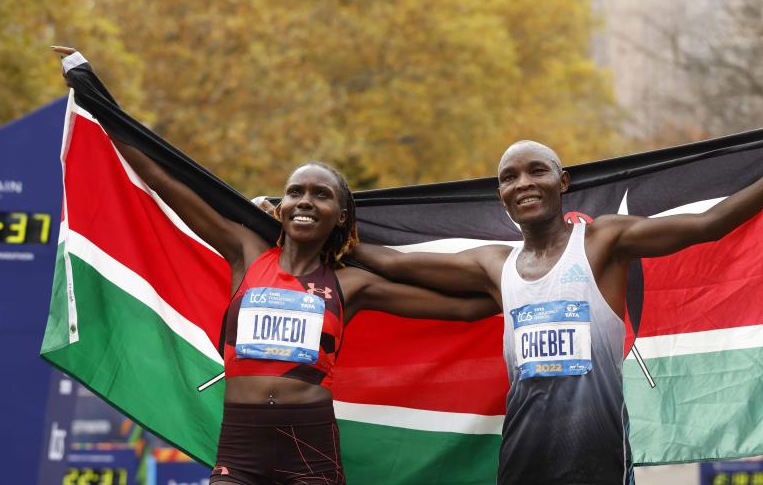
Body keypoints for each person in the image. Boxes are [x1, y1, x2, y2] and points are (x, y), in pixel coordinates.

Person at [53, 47, 499, 485]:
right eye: (296, 192)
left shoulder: (351, 284)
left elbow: (465, 309)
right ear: (280, 205)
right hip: (239, 445)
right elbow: (163, 179)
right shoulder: (244, 251)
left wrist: (523, 284)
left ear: (341, 215)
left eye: (321, 195)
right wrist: (95, 98)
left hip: (309, 446)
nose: (305, 200)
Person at [353, 118, 763, 484]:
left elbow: (706, 226)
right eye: (509, 177)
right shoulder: (492, 265)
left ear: (562, 182)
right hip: (523, 458)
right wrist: (326, 239)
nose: (523, 183)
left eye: (536, 171)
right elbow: (396, 264)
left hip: (599, 457)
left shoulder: (601, 243)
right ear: (500, 195)